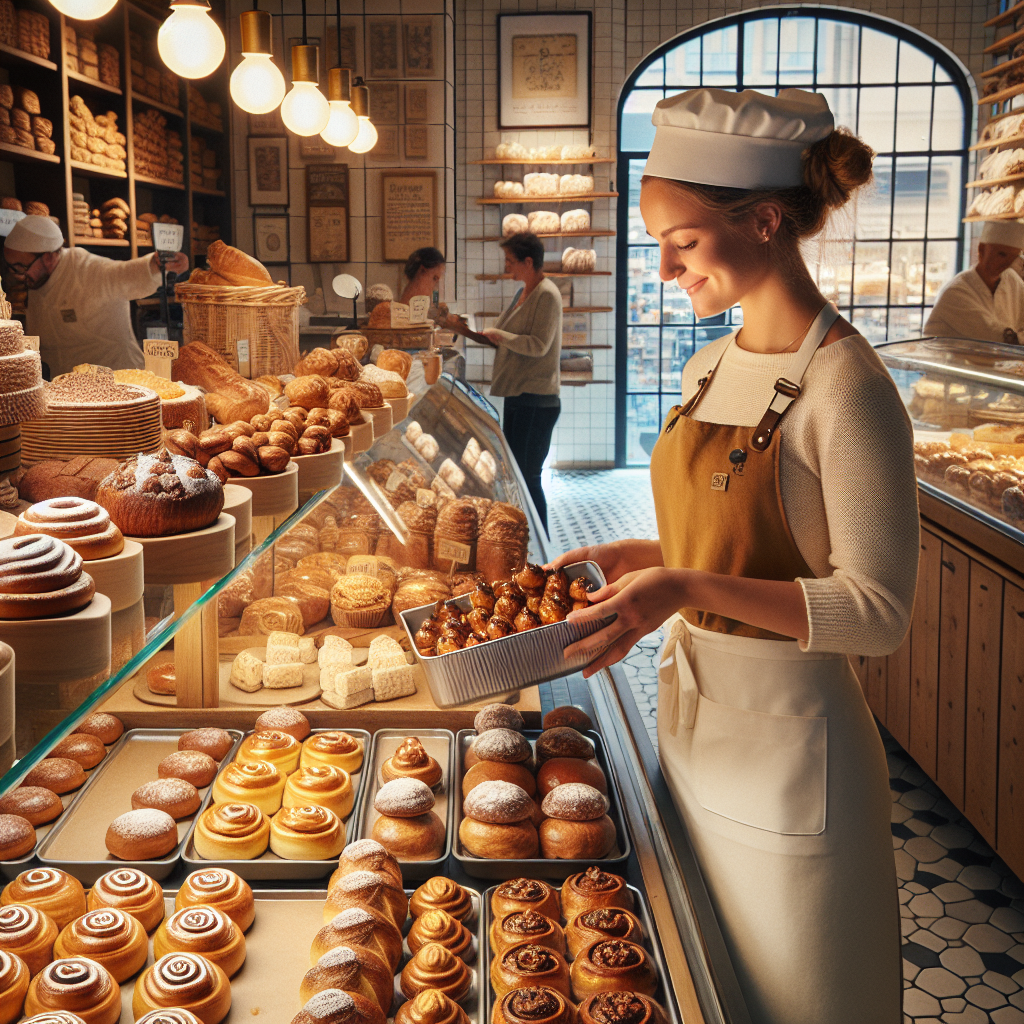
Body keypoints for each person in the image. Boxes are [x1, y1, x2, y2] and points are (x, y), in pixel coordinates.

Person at [554, 88, 919, 1024]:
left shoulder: (849, 386)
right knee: (714, 982)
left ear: (764, 220)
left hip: (797, 750)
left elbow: (877, 612)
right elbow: (727, 545)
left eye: (682, 242)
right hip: (697, 726)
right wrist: (641, 557)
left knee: (803, 996)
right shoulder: (706, 368)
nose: (666, 267)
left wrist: (680, 584)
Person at [3, 215, 188, 378]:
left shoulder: (86, 269)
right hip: (67, 391)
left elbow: (123, 274)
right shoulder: (36, 279)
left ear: (49, 257)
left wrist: (157, 265)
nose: (17, 276)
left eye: (21, 267)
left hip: (119, 384)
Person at [482, 232, 561, 530]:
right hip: (518, 395)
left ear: (529, 262)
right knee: (516, 473)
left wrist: (501, 336)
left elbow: (539, 344)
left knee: (529, 476)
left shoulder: (547, 294)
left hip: (537, 401)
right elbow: (504, 335)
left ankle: (541, 542)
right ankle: (522, 537)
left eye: (510, 262)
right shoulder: (522, 293)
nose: (507, 268)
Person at [924, 219, 1024, 344]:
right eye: (1002, 254)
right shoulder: (955, 292)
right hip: (950, 362)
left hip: (998, 362)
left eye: (1013, 257)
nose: (1007, 263)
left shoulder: (1011, 280)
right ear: (981, 250)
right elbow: (995, 336)